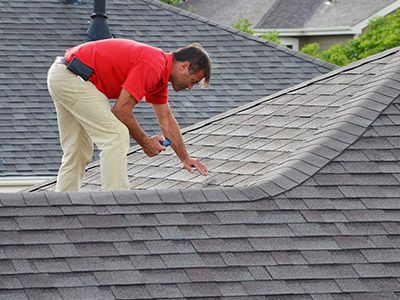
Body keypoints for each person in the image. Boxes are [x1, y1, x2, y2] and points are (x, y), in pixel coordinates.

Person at [47, 38, 211, 192]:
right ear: (184, 66)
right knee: (116, 136)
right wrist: (145, 142)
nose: (190, 87)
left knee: (77, 151)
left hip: (63, 75)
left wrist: (184, 158)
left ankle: (62, 205)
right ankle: (117, 205)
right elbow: (121, 111)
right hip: (73, 78)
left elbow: (166, 120)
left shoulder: (159, 74)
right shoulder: (154, 65)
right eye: (193, 81)